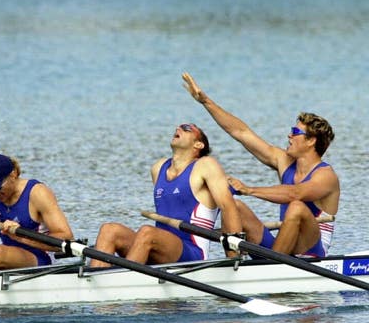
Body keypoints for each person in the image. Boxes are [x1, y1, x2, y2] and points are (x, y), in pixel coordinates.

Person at [182, 72, 338, 257]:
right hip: (283, 248)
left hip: (311, 252)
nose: (289, 135)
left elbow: (295, 193)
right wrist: (206, 102)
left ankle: (271, 266)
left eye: (295, 132)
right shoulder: (284, 161)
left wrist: (249, 190)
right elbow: (241, 132)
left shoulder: (326, 176)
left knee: (296, 206)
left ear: (311, 141)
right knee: (235, 207)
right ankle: (234, 264)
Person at [90, 123, 242, 268]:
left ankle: (122, 282)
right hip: (157, 247)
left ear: (198, 145)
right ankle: (94, 280)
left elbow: (228, 207)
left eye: (186, 128)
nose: (178, 128)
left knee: (147, 232)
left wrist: (233, 260)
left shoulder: (206, 165)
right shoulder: (158, 168)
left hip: (192, 251)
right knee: (109, 229)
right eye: (178, 127)